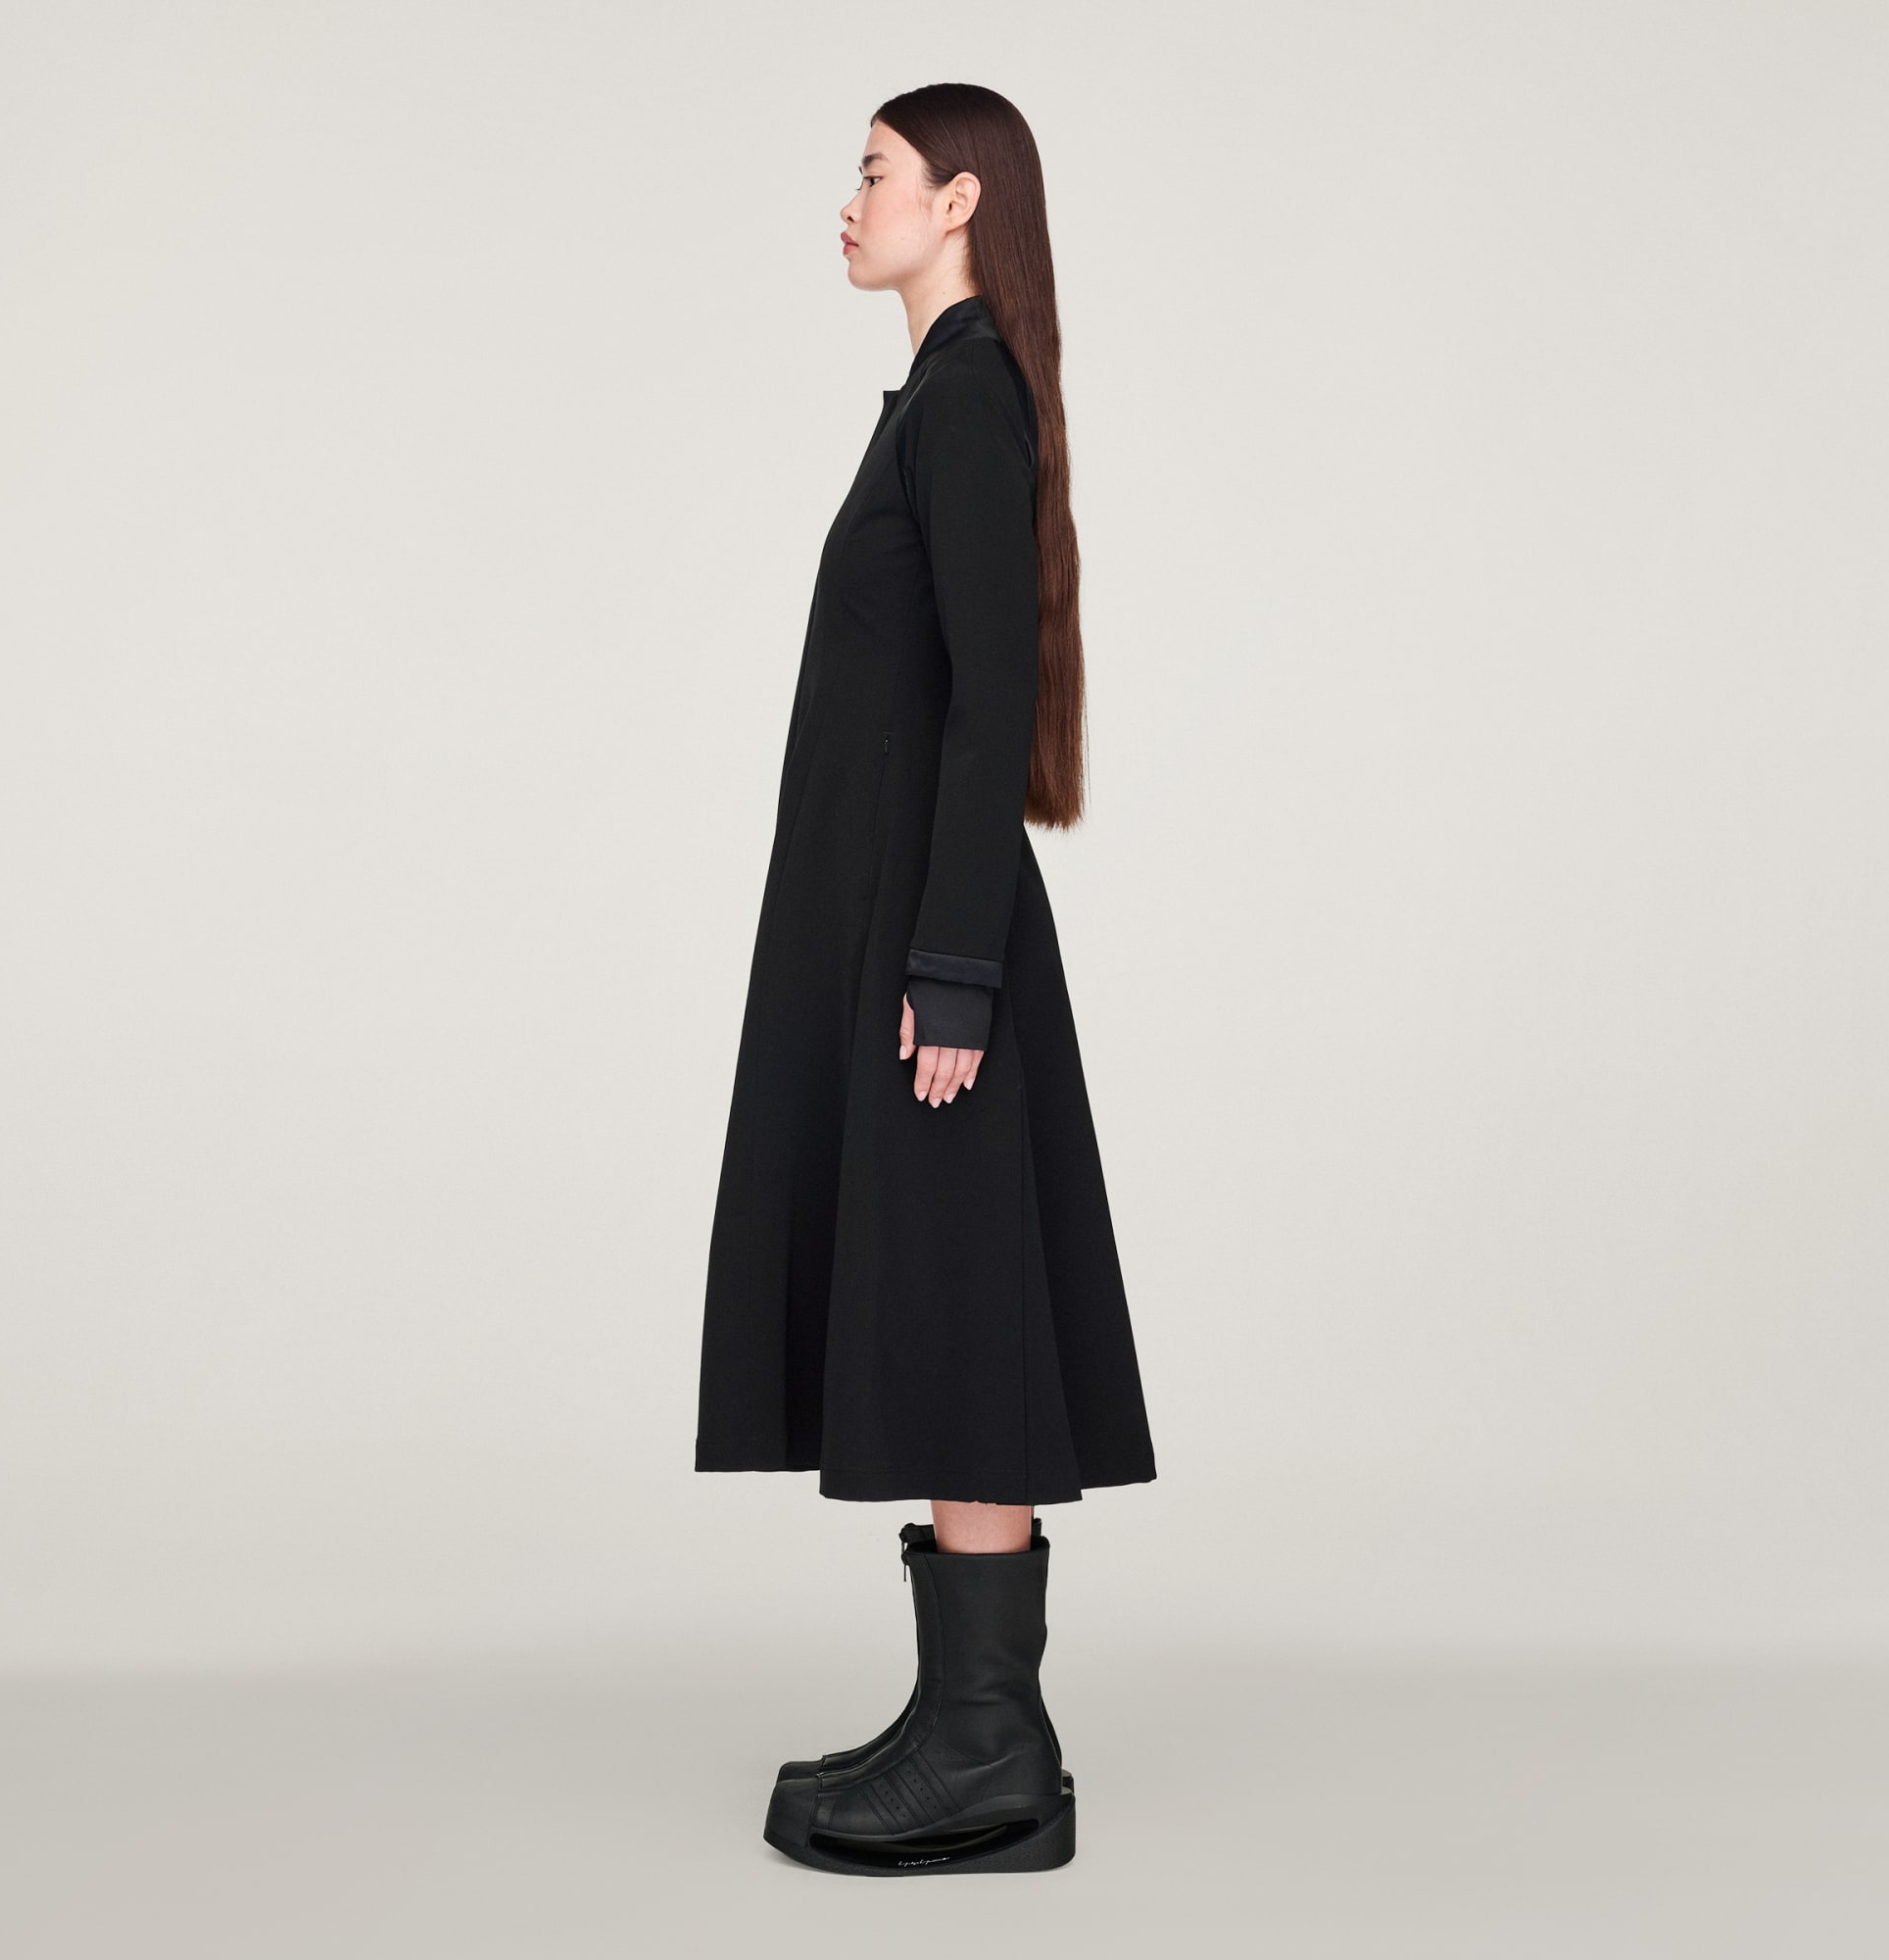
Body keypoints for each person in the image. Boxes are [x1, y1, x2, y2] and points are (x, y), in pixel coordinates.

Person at [695, 82, 1158, 1876]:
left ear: (959, 201)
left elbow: (987, 698)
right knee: (939, 1283)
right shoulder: (942, 398)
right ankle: (966, 1720)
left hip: (929, 937)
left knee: (962, 1302)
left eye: (877, 171)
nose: (852, 199)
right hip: (890, 920)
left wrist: (952, 967)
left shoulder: (967, 400)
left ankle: (989, 1752)